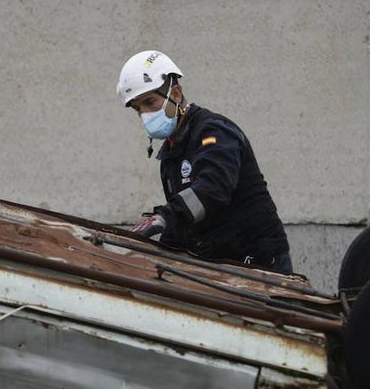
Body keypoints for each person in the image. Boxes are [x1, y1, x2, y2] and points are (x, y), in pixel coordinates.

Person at [116, 50, 292, 274]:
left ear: (176, 94)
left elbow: (213, 188)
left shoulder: (213, 132)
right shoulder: (171, 153)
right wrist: (154, 251)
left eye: (150, 102)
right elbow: (185, 220)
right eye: (138, 108)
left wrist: (164, 217)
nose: (145, 114)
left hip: (258, 258)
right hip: (219, 261)